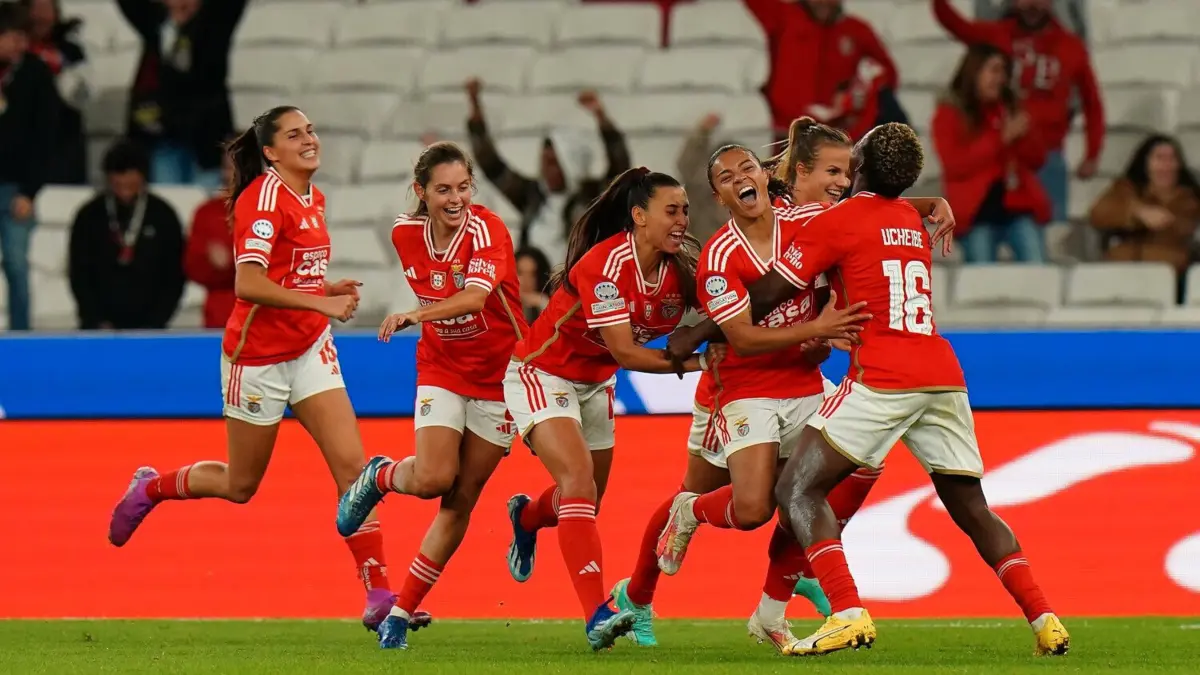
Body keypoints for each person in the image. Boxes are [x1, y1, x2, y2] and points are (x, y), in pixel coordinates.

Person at [755, 122, 1067, 656]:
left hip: (883, 375)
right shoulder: (906, 216)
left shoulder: (841, 220)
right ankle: (1045, 619)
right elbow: (890, 211)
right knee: (972, 507)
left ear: (860, 168)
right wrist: (930, 201)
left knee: (796, 489)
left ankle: (847, 612)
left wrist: (708, 323)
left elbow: (770, 292)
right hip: (942, 374)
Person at [105, 106, 401, 635]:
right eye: (295, 134)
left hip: (309, 349)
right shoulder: (261, 200)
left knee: (353, 470)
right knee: (241, 485)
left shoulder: (314, 197)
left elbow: (292, 273)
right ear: (270, 152)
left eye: (310, 129)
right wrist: (320, 305)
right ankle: (150, 488)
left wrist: (322, 291)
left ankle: (378, 594)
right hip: (258, 358)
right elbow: (248, 284)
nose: (309, 138)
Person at [500, 168, 718, 650]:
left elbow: (726, 312)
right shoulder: (604, 264)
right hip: (542, 372)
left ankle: (527, 518)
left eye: (685, 210)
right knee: (578, 484)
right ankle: (597, 614)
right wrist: (704, 359)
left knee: (587, 499)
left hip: (596, 384)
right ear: (639, 216)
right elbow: (628, 353)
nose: (682, 220)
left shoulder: (680, 268)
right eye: (671, 210)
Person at [334, 142, 529, 650]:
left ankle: (402, 612)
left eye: (464, 187)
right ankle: (378, 475)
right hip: (442, 368)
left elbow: (476, 297)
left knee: (460, 500)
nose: (456, 198)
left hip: (500, 380)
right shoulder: (405, 233)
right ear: (421, 192)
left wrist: (415, 314)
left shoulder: (489, 231)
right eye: (443, 189)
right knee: (433, 478)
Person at [932, 0, 1104, 222]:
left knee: (1050, 238)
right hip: (1001, 156)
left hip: (1048, 156)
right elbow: (956, 25)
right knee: (989, 238)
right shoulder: (997, 35)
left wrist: (1092, 153)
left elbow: (1092, 102)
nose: (1032, 4)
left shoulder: (1071, 46)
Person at [933, 43, 1050, 263]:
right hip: (976, 215)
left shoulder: (1009, 108)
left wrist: (1025, 131)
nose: (1000, 78)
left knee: (1038, 267)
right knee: (982, 277)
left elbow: (1037, 159)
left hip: (1016, 207)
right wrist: (1000, 139)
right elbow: (955, 163)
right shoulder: (950, 113)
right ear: (975, 71)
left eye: (1003, 72)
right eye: (994, 70)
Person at [117, 0, 248, 188]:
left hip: (207, 141)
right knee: (170, 203)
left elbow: (231, 6)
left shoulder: (214, 24)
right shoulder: (157, 25)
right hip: (165, 140)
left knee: (206, 210)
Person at [68, 139, 186, 329]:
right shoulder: (89, 215)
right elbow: (79, 273)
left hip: (151, 329)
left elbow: (174, 274)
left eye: (130, 176)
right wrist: (95, 319)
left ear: (142, 176)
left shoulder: (163, 215)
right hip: (99, 328)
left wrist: (156, 323)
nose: (123, 183)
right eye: (117, 177)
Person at [0, 1, 57, 331]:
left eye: (23, 37)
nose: (20, 44)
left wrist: (29, 191)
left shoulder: (35, 74)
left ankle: (21, 335)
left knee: (17, 264)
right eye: (12, 37)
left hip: (16, 190)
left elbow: (45, 139)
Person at [1089, 134, 1200, 303]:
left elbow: (1185, 227)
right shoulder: (1125, 189)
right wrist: (1137, 213)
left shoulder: (1190, 198)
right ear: (1145, 163)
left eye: (1172, 159)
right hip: (1121, 269)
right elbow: (1098, 214)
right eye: (1160, 159)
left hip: (1173, 275)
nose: (1166, 166)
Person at [21, 0, 87, 184]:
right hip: (23, 143)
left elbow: (83, 96)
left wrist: (58, 71)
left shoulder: (72, 50)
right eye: (35, 8)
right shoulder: (12, 50)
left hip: (64, 141)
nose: (40, 16)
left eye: (46, 10)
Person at [183, 146, 236, 328]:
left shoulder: (279, 213)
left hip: (268, 322)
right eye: (229, 167)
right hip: (220, 320)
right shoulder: (207, 213)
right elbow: (193, 266)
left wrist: (231, 263)